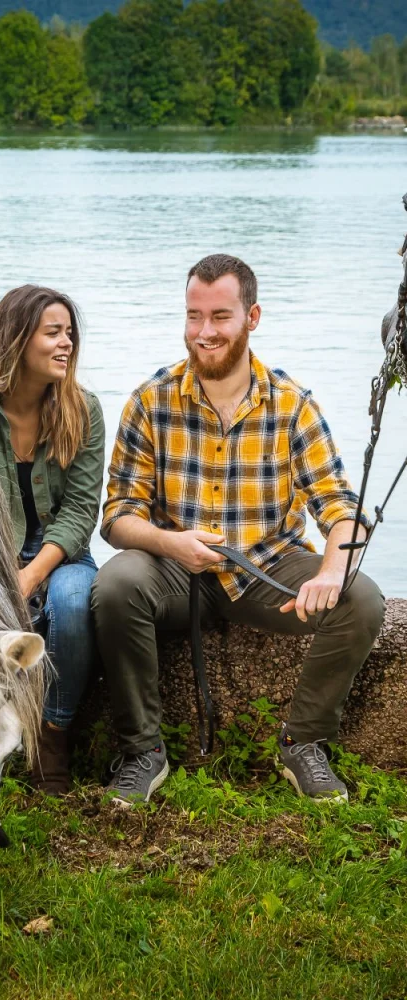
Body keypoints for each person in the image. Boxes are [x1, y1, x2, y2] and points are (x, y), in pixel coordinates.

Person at [92, 254, 385, 807]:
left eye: (220, 317)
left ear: (252, 317)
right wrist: (169, 542)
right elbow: (118, 515)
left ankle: (303, 743)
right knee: (115, 585)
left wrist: (331, 568)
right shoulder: (149, 402)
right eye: (193, 316)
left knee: (362, 598)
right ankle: (142, 752)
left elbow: (340, 505)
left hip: (266, 569)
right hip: (176, 571)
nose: (204, 332)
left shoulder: (293, 405)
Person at [0, 285, 105, 795]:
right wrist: (4, 573)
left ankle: (53, 733)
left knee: (73, 600)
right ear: (16, 339)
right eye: (53, 333)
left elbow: (79, 511)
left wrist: (31, 574)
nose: (66, 343)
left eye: (69, 333)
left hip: (62, 554)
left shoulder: (83, 410)